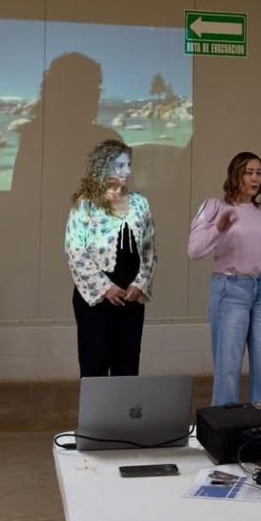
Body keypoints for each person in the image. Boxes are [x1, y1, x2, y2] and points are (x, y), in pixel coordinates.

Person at [188, 151, 261, 406]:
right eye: (248, 172)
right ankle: (225, 427)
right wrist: (218, 229)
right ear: (235, 175)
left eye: (259, 173)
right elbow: (194, 250)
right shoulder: (215, 207)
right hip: (231, 289)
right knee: (228, 365)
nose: (255, 178)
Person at [66, 140, 157, 377]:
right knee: (94, 361)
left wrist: (140, 284)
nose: (127, 171)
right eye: (120, 165)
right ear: (103, 167)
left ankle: (123, 414)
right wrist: (106, 288)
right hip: (96, 298)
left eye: (128, 165)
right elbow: (76, 253)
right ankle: (96, 414)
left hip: (131, 295)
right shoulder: (84, 205)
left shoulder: (140, 203)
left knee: (127, 363)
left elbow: (149, 250)